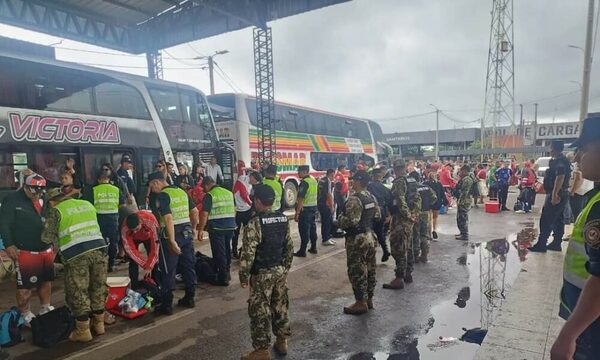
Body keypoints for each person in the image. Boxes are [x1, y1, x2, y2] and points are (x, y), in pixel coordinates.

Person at [550, 114, 600, 359]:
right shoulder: (596, 196)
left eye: (583, 149)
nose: (578, 157)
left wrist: (568, 335)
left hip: (591, 323)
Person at [41, 187, 109, 342]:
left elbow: (46, 238)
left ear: (51, 201)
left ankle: (83, 331)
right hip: (99, 248)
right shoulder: (86, 204)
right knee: (98, 286)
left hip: (76, 253)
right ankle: (99, 325)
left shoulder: (56, 210)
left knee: (78, 290)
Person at [239, 185, 293, 360]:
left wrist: (244, 276)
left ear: (257, 201)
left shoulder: (255, 223)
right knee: (280, 306)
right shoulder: (282, 219)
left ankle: (262, 350)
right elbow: (289, 247)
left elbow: (248, 253)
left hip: (262, 274)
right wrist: (285, 268)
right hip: (279, 271)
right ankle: (282, 341)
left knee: (260, 311)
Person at [0, 174, 55, 326]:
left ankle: (45, 307)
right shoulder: (12, 200)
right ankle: (25, 314)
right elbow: (4, 224)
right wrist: (9, 244)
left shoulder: (45, 199)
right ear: (25, 186)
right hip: (24, 250)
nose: (37, 194)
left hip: (45, 249)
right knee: (25, 287)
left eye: (40, 190)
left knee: (46, 281)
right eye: (33, 190)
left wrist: (53, 243)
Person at [148, 171, 199, 314]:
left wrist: (171, 240)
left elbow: (168, 218)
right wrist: (194, 229)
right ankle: (190, 297)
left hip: (171, 234)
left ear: (157, 183)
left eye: (152, 186)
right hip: (186, 231)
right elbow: (194, 212)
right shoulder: (182, 192)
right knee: (188, 265)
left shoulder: (163, 195)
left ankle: (167, 305)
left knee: (168, 269)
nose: (152, 190)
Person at [337, 170, 381, 314]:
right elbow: (378, 215)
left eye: (354, 180)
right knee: (370, 268)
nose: (351, 182)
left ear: (358, 182)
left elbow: (351, 221)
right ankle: (369, 299)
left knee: (357, 270)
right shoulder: (371, 197)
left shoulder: (354, 199)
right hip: (370, 236)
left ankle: (360, 301)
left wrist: (338, 221)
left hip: (357, 239)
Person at [383, 160, 420, 290]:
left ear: (395, 168)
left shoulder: (399, 182)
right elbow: (417, 198)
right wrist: (414, 214)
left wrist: (408, 215)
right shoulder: (412, 180)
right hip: (410, 219)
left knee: (398, 247)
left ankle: (399, 278)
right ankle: (408, 274)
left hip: (401, 219)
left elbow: (400, 200)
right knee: (408, 246)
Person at [529, 140, 572, 253]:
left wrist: (554, 194)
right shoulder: (560, 160)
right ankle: (556, 243)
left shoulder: (560, 161)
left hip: (557, 193)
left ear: (554, 148)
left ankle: (542, 244)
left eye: (551, 147)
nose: (550, 150)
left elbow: (560, 176)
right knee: (558, 218)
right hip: (561, 192)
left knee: (547, 218)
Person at [197, 176, 237, 286]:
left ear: (206, 185)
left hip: (217, 227)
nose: (204, 190)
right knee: (227, 250)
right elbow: (234, 209)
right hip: (230, 225)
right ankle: (227, 272)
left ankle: (223, 277)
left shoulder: (210, 195)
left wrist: (200, 230)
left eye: (203, 188)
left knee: (219, 252)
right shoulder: (228, 193)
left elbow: (204, 213)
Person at [88, 173, 126, 272]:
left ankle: (101, 263)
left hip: (99, 218)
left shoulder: (94, 190)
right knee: (113, 242)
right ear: (108, 179)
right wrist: (114, 208)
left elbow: (89, 204)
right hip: (113, 217)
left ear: (98, 180)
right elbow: (123, 204)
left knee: (100, 241)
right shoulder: (116, 190)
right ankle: (111, 264)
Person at [121, 211, 160, 288]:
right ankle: (134, 286)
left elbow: (155, 247)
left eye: (136, 229)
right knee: (132, 262)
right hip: (133, 239)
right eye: (132, 230)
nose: (135, 232)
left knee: (153, 261)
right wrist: (145, 265)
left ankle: (155, 284)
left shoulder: (150, 222)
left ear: (141, 222)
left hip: (148, 236)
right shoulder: (124, 228)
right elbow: (130, 251)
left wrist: (150, 266)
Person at [368, 168, 393, 262]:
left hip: (371, 211)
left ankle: (371, 255)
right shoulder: (385, 188)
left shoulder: (369, 186)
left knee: (369, 233)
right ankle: (385, 250)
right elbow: (389, 203)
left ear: (373, 176)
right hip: (382, 212)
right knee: (380, 233)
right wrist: (389, 215)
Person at [411, 171, 437, 263]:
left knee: (415, 235)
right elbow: (434, 198)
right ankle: (424, 255)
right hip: (425, 213)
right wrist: (428, 205)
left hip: (415, 214)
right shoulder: (426, 187)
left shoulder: (412, 189)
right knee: (424, 234)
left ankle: (415, 256)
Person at [294, 165, 319, 257]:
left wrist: (297, 213)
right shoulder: (313, 180)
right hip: (313, 208)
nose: (298, 173)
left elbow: (300, 199)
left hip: (305, 210)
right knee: (312, 228)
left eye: (299, 171)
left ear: (304, 172)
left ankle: (302, 251)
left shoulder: (304, 183)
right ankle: (313, 247)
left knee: (304, 230)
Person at [232, 167, 253, 259]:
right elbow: (244, 195)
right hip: (240, 210)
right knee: (241, 232)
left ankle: (240, 250)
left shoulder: (249, 182)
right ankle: (235, 251)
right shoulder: (242, 180)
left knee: (240, 232)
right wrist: (252, 205)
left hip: (241, 209)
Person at [569, 158, 594, 222]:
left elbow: (579, 178)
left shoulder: (579, 164)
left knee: (577, 215)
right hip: (589, 190)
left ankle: (578, 229)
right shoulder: (592, 164)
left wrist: (572, 191)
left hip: (578, 192)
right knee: (586, 214)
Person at [317, 169, 336, 247]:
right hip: (326, 204)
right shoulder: (328, 181)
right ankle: (326, 239)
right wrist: (332, 206)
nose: (333, 178)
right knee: (326, 222)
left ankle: (327, 237)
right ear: (331, 174)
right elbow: (329, 194)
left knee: (326, 221)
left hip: (320, 202)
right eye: (333, 176)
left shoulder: (321, 180)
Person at [455, 165, 474, 241]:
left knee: (462, 218)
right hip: (464, 200)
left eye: (461, 171)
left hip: (464, 201)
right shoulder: (465, 179)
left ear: (465, 171)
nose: (460, 173)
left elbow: (464, 192)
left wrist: (460, 201)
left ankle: (464, 234)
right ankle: (462, 233)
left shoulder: (467, 180)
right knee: (460, 217)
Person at [425, 171, 446, 240]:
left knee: (429, 218)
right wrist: (445, 201)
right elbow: (443, 194)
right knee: (435, 218)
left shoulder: (425, 183)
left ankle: (429, 233)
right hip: (437, 202)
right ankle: (434, 230)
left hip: (428, 203)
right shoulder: (439, 184)